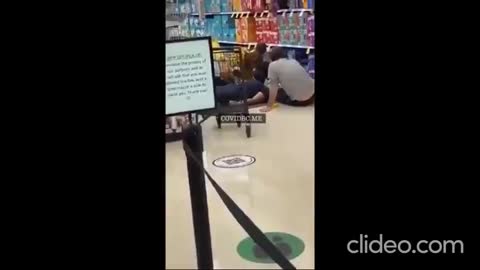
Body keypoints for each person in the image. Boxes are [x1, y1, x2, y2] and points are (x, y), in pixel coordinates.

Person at [247, 47, 315, 112]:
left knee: (266, 90)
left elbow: (273, 89)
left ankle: (250, 101)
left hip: (300, 101)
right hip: (311, 97)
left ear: (271, 57)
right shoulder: (293, 61)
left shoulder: (273, 65)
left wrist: (269, 106)